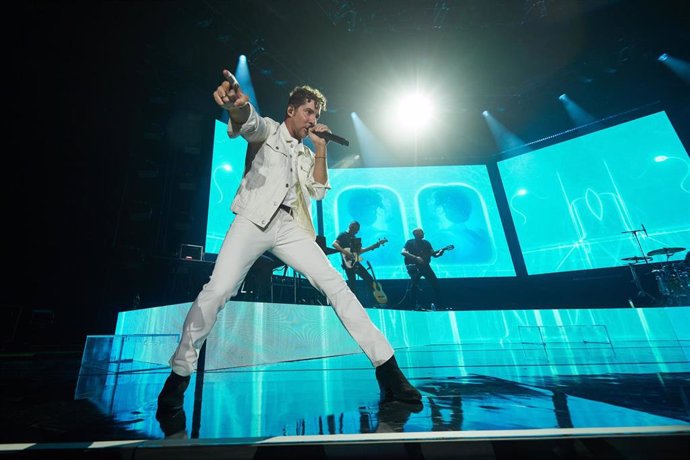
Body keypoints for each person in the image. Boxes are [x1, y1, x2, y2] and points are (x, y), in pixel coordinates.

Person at [156, 69, 421, 416]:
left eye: (318, 115)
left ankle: (389, 372)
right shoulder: (268, 129)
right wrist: (237, 106)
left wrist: (321, 147)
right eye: (309, 112)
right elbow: (248, 122)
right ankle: (178, 376)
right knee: (218, 290)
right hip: (252, 218)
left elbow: (319, 191)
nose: (313, 119)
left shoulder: (307, 154)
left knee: (337, 287)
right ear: (291, 111)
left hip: (289, 225)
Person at [332, 221, 386, 306]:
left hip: (355, 262)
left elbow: (360, 251)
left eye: (355, 229)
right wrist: (345, 253)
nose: (353, 229)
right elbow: (334, 244)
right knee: (352, 284)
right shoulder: (342, 235)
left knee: (369, 279)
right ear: (349, 226)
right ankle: (353, 304)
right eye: (352, 227)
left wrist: (375, 245)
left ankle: (375, 302)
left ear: (357, 231)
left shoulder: (355, 239)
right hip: (348, 264)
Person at [398, 228, 451, 311]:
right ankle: (414, 306)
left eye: (422, 232)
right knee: (414, 286)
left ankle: (440, 305)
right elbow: (403, 252)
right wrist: (416, 258)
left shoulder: (426, 243)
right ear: (416, 234)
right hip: (414, 267)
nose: (423, 234)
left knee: (435, 284)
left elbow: (434, 254)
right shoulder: (409, 242)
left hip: (425, 267)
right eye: (421, 232)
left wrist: (440, 253)